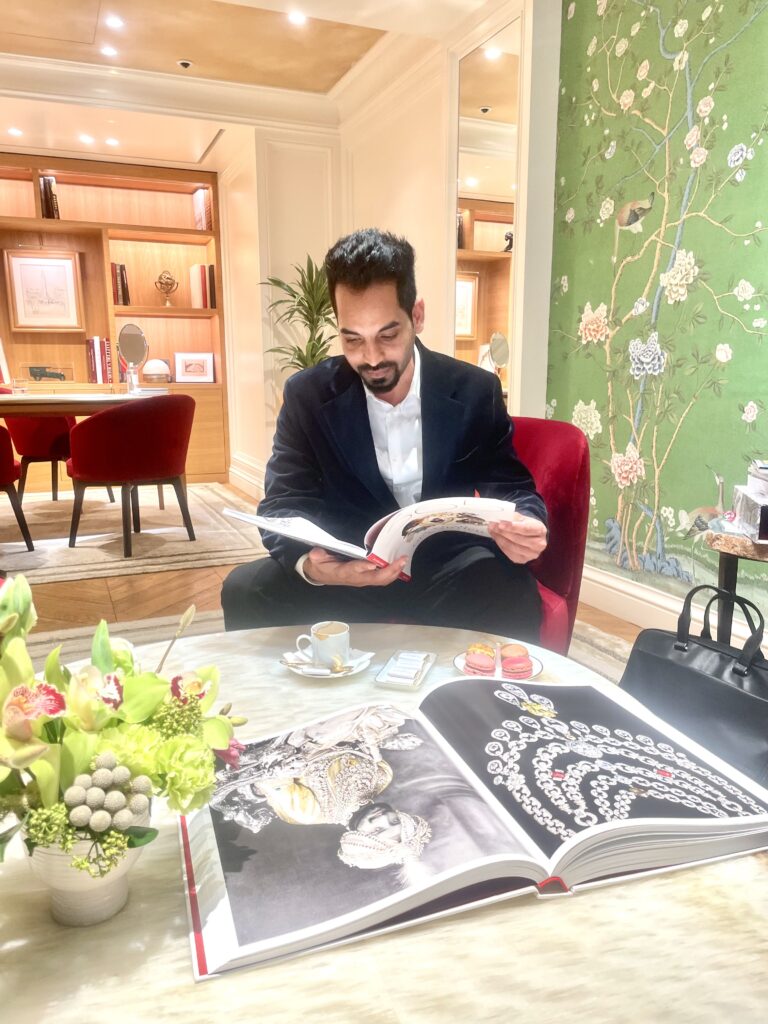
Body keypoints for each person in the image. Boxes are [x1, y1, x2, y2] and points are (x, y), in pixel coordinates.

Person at [222, 228, 547, 639]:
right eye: (352, 339)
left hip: (448, 571)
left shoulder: (474, 390)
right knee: (246, 590)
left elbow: (512, 486)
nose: (371, 358)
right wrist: (316, 569)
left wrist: (527, 522)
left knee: (512, 593)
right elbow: (283, 504)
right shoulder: (307, 395)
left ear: (417, 316)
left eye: (388, 335)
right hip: (350, 573)